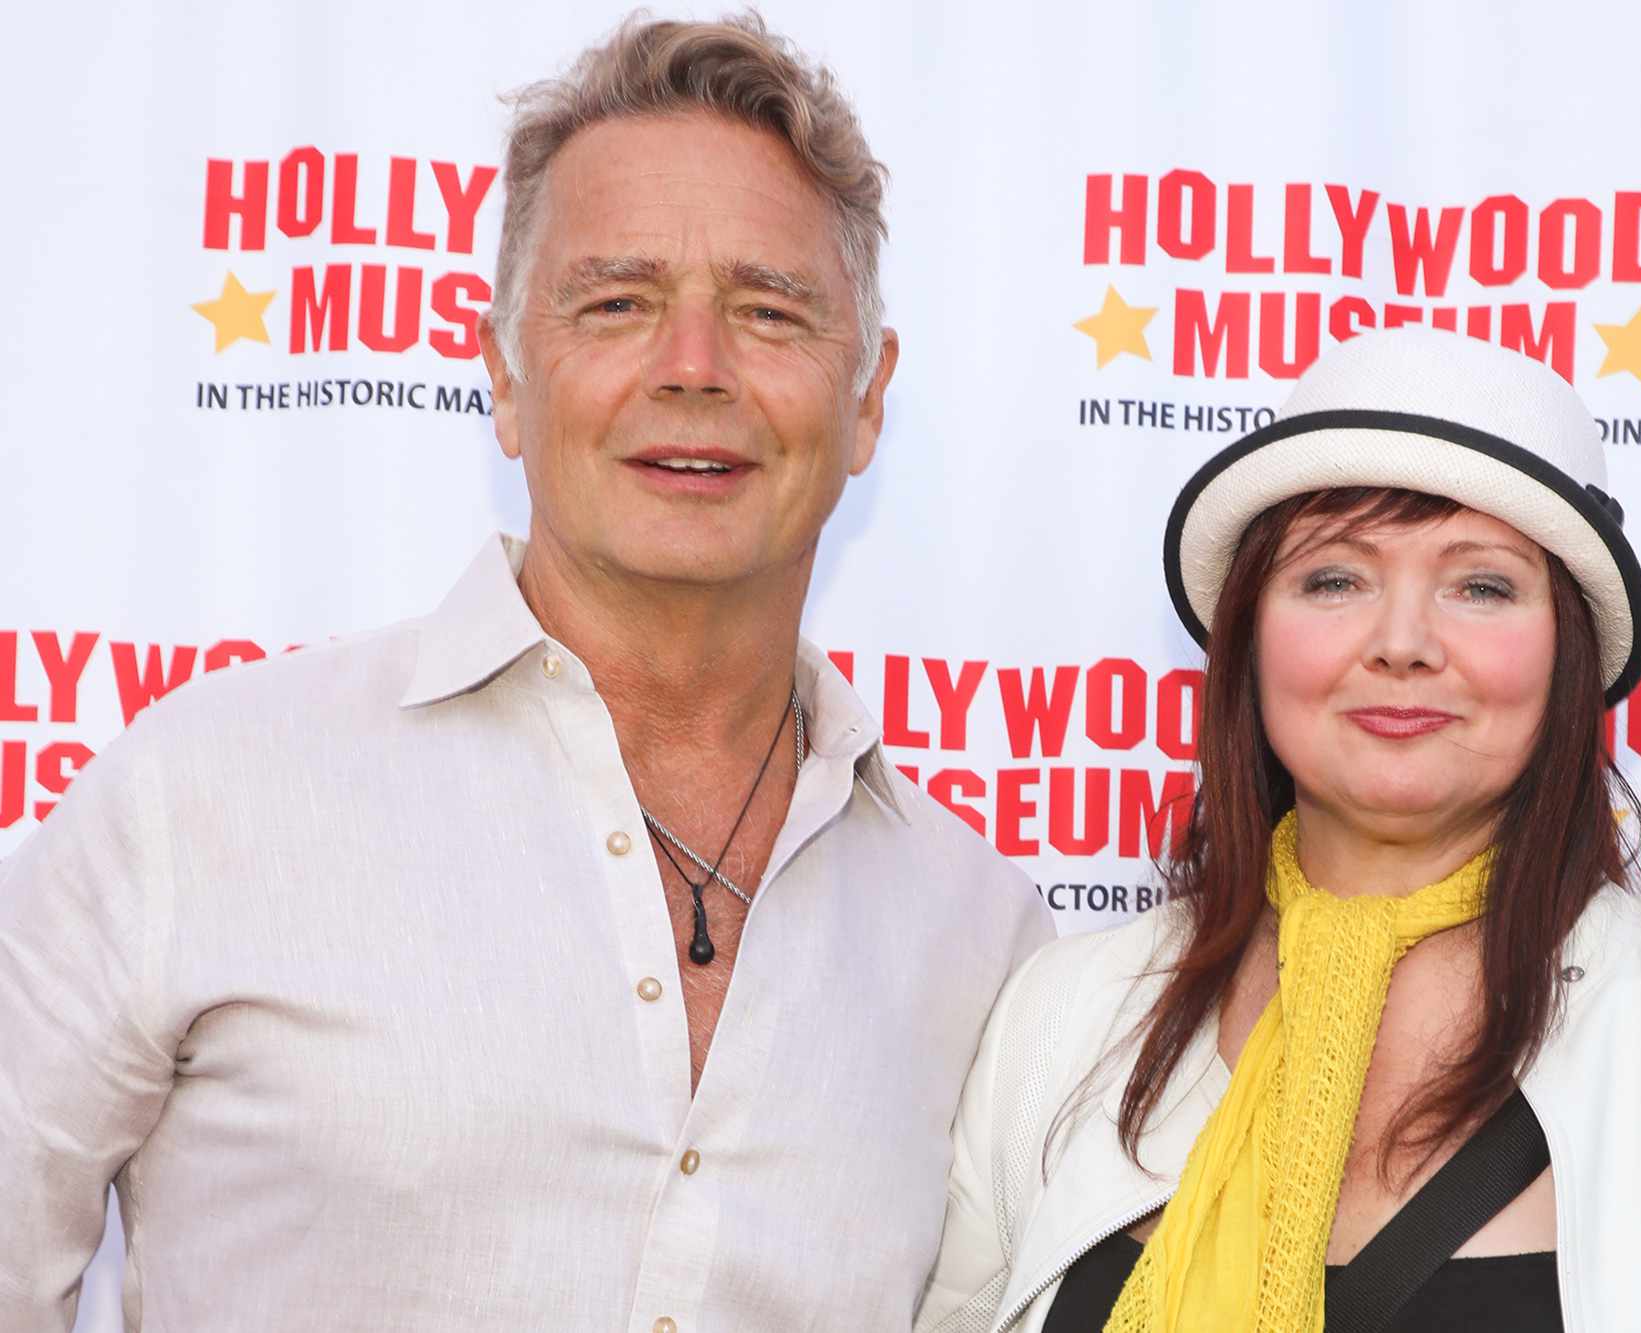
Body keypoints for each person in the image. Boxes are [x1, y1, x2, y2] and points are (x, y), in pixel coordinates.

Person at [0, 15, 1049, 1331]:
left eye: (769, 312)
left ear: (868, 400)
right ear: (502, 375)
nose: (693, 368)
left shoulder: (985, 937)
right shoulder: (199, 798)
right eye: (617, 304)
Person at [918, 327, 1641, 1332]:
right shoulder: (1063, 1022)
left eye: (1480, 586)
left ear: (1566, 656)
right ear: (1249, 640)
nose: (1400, 642)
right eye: (1333, 577)